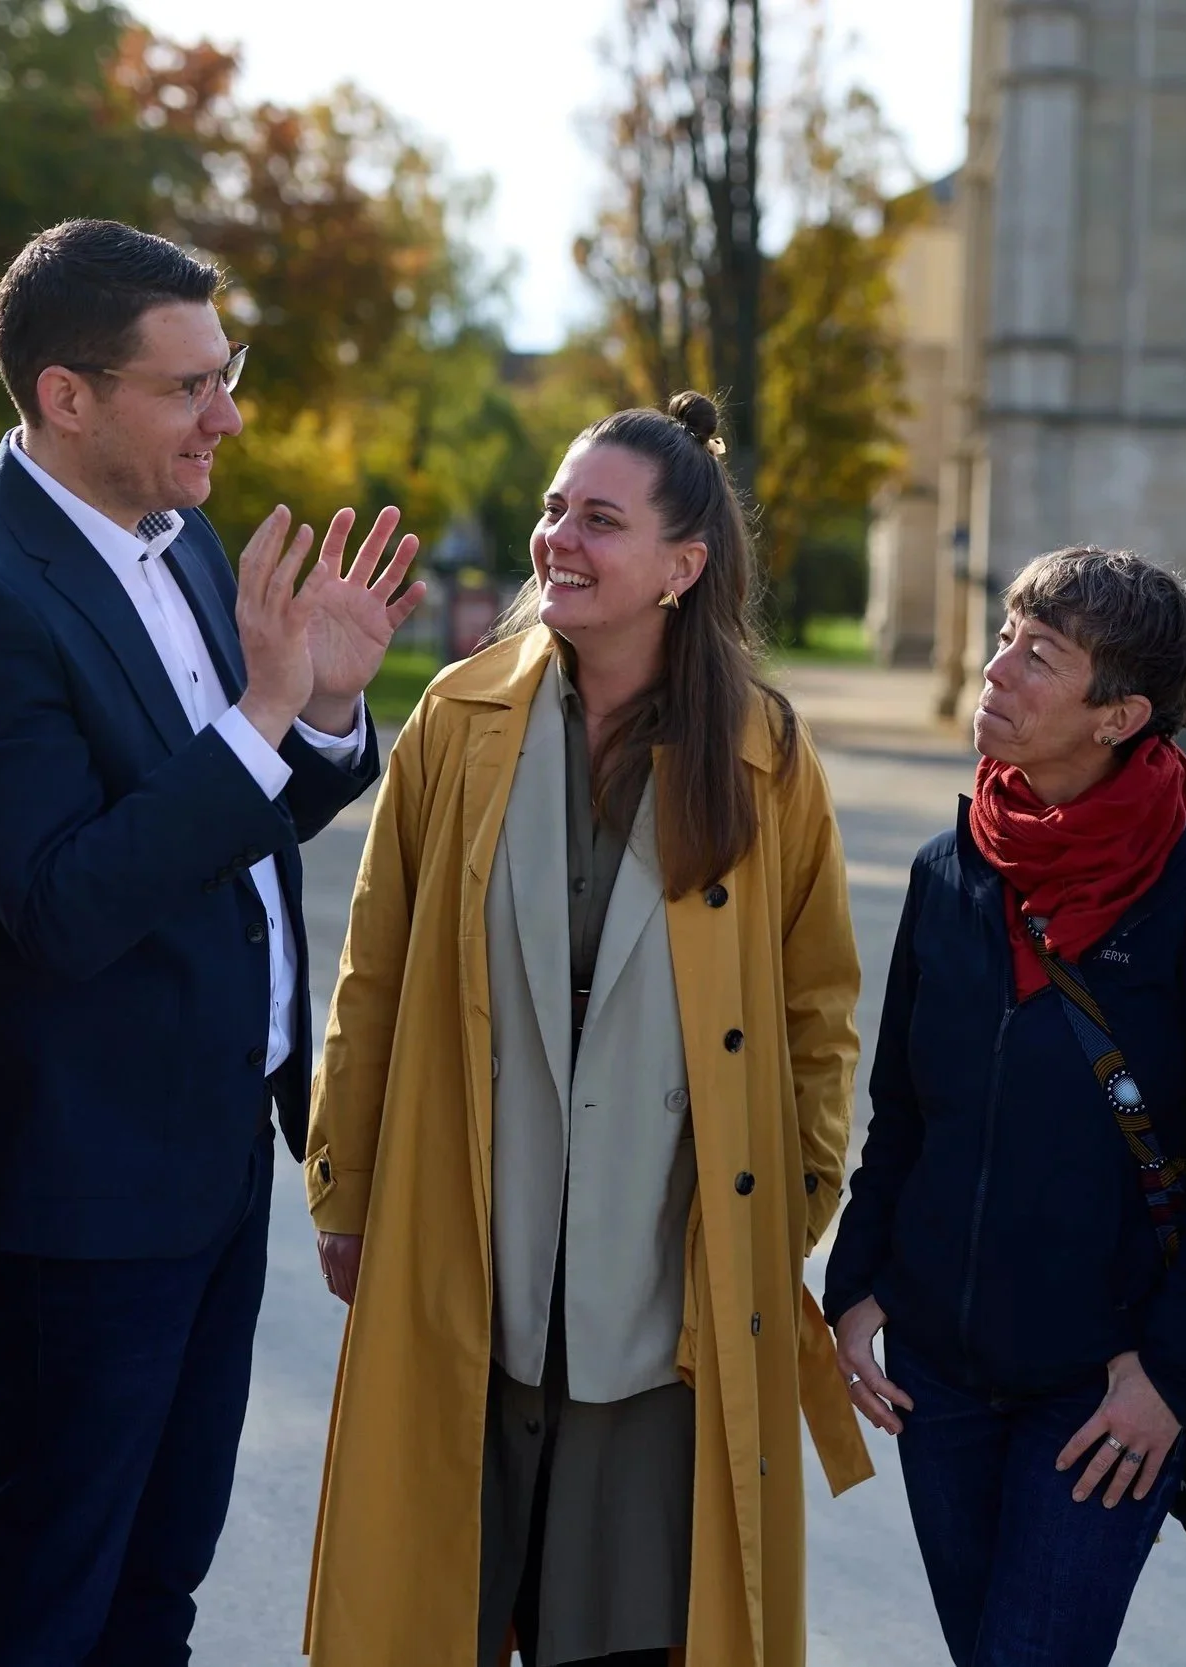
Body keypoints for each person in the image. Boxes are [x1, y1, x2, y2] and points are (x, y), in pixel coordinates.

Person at [0, 217, 425, 1666]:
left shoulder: (182, 549)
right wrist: (257, 718)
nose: (225, 415)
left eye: (220, 374)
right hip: (71, 1184)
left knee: (155, 1583)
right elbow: (67, 898)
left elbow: (224, 825)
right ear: (67, 394)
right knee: (43, 1589)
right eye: (187, 386)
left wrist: (317, 715)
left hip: (208, 1150)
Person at [301, 394, 873, 1667]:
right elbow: (375, 973)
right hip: (469, 1245)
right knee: (441, 1601)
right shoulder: (456, 720)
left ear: (684, 566)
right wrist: (344, 1186)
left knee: (630, 1629)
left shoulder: (768, 757)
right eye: (556, 509)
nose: (558, 536)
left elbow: (816, 1019)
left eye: (598, 520)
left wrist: (785, 1210)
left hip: (663, 1285)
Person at [825, 547, 1186, 1667]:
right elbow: (905, 1111)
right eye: (1008, 635)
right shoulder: (949, 869)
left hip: (1105, 1396)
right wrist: (857, 1285)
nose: (996, 667)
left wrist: (1167, 1374)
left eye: (1039, 655)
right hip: (941, 1380)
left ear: (1120, 713)